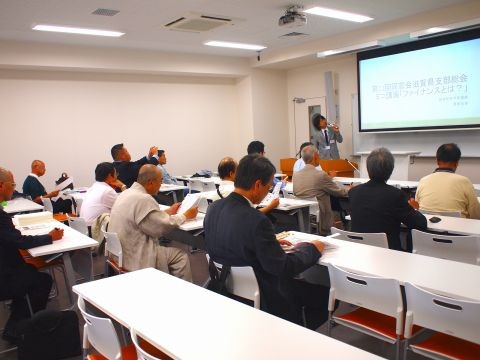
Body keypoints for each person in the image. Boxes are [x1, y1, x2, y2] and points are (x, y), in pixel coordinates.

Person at [204, 154, 328, 327]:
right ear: (257, 185)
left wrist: (270, 243)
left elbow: (233, 240)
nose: (268, 193)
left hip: (227, 287)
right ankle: (296, 333)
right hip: (265, 293)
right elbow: (282, 267)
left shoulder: (214, 208)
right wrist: (312, 248)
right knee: (324, 294)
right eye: (269, 187)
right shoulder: (256, 220)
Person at [0, 167, 63, 343]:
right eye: (12, 184)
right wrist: (49, 237)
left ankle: (17, 316)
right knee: (42, 281)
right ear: (1, 186)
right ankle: (21, 328)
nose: (13, 188)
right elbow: (19, 241)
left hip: (7, 267)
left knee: (29, 270)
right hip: (4, 277)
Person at [109, 164, 198, 281]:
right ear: (151, 182)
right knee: (181, 257)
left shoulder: (127, 193)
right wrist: (185, 216)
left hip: (120, 254)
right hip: (136, 256)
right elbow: (162, 227)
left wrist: (168, 211)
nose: (161, 184)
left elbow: (146, 219)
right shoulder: (144, 199)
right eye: (160, 181)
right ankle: (184, 295)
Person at [349, 147, 427, 251]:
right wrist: (415, 209)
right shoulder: (396, 195)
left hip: (359, 251)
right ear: (391, 169)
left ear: (368, 169)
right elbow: (420, 224)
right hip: (388, 255)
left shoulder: (353, 192)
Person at [293, 145, 349, 235]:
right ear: (315, 156)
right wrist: (353, 190)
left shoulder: (296, 175)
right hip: (323, 217)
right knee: (344, 211)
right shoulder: (320, 175)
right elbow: (340, 192)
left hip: (305, 215)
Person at [415, 143, 480, 219]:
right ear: (457, 163)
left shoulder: (423, 180)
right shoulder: (464, 181)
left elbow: (417, 206)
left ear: (437, 161)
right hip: (457, 229)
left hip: (425, 229)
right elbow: (475, 214)